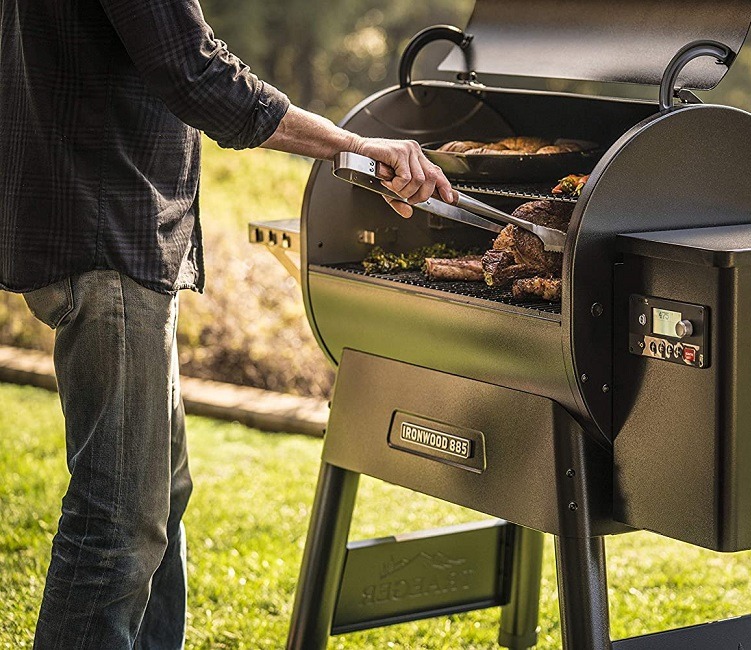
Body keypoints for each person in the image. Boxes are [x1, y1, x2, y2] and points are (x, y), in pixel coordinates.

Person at [0, 1, 453, 648]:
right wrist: (350, 146)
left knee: (160, 492)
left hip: (89, 225)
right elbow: (197, 75)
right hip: (107, 233)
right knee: (120, 518)